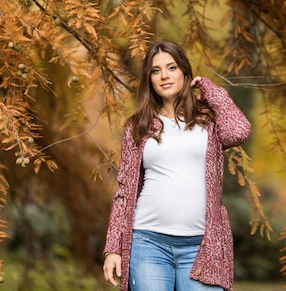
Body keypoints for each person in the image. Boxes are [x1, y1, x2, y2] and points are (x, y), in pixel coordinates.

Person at [102, 41, 252, 291]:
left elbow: (239, 131)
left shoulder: (208, 121)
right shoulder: (138, 126)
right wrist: (113, 249)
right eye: (156, 70)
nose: (164, 76)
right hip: (147, 242)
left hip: (202, 246)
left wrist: (208, 88)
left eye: (171, 67)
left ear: (184, 71)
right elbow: (125, 191)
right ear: (149, 79)